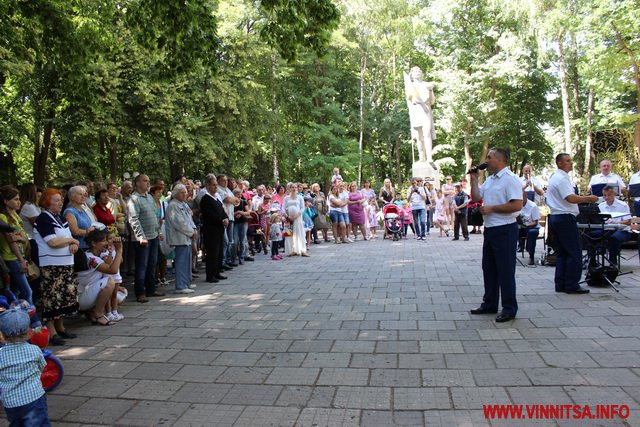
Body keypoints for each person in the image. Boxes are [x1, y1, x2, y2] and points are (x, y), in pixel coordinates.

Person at [469, 148, 523, 322]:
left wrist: (492, 208)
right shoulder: (491, 180)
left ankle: (509, 308)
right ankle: (490, 303)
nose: (487, 161)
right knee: (489, 268)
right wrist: (474, 179)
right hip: (490, 229)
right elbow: (477, 197)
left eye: (489, 157)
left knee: (505, 270)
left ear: (500, 160)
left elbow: (517, 205)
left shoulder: (511, 179)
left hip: (505, 229)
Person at [547, 153, 599, 294]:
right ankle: (571, 284)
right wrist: (588, 198)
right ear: (559, 163)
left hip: (557, 217)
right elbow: (570, 198)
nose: (571, 163)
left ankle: (561, 283)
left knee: (563, 252)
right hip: (564, 217)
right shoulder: (561, 179)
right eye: (568, 161)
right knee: (574, 252)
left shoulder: (556, 177)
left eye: (571, 160)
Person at [34, 189, 80, 345]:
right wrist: (71, 242)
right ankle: (51, 331)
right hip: (52, 265)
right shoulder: (43, 219)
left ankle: (61, 327)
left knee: (64, 298)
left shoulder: (60, 218)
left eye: (61, 200)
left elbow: (69, 238)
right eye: (56, 200)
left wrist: (73, 243)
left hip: (66, 263)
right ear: (47, 202)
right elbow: (53, 242)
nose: (60, 203)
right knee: (52, 298)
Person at [0, 307, 51, 426]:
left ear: (2, 334)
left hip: (10, 402)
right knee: (40, 422)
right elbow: (42, 367)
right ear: (28, 332)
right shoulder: (34, 350)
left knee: (16, 423)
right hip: (34, 398)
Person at [127, 174, 163, 303]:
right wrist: (140, 237)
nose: (148, 183)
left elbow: (154, 215)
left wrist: (158, 231)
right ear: (137, 184)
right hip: (142, 239)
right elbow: (134, 219)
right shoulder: (134, 199)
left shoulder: (149, 197)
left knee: (152, 264)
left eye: (148, 181)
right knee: (142, 265)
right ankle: (140, 292)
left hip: (153, 236)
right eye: (145, 181)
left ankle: (151, 289)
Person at [77, 229, 124, 325]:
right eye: (103, 241)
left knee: (120, 295)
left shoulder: (98, 255)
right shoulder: (90, 258)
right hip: (81, 298)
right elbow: (113, 270)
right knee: (109, 282)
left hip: (86, 293)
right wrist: (119, 250)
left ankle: (91, 311)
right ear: (94, 243)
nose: (106, 243)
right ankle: (98, 314)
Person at [0, 186, 33, 304]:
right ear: (5, 201)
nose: (18, 202)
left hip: (21, 256)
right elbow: (11, 240)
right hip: (12, 258)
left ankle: (17, 318)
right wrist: (21, 260)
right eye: (15, 199)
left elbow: (23, 237)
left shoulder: (15, 214)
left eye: (19, 199)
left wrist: (20, 238)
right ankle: (33, 321)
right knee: (27, 292)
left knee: (15, 291)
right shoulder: (2, 217)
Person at [165, 183, 198, 294]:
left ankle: (186, 282)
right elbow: (179, 223)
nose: (184, 194)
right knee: (181, 262)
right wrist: (191, 232)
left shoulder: (183, 204)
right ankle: (181, 285)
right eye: (182, 193)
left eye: (185, 192)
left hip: (186, 237)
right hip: (180, 237)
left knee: (187, 261)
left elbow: (189, 218)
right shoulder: (173, 205)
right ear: (176, 194)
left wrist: (194, 229)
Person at [594, 185, 634, 265]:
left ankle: (612, 263)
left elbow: (629, 221)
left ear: (614, 194)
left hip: (622, 230)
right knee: (591, 235)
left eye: (609, 195)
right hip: (606, 229)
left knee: (614, 238)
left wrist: (618, 222)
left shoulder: (622, 205)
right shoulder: (600, 206)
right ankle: (592, 261)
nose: (607, 197)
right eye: (605, 195)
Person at [200, 174, 229, 283]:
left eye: (216, 185)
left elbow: (222, 210)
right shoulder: (205, 199)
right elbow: (209, 215)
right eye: (213, 185)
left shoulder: (216, 198)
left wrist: (225, 218)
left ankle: (217, 272)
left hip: (219, 229)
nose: (215, 187)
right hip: (211, 230)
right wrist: (221, 220)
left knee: (219, 252)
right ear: (207, 185)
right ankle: (210, 275)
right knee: (212, 253)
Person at [404, 66, 436, 162]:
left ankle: (429, 157)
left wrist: (430, 90)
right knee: (419, 136)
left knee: (427, 133)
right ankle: (422, 157)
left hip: (426, 111)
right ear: (412, 75)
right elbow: (409, 99)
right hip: (416, 111)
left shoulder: (426, 85)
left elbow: (432, 101)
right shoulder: (411, 85)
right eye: (415, 71)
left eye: (419, 71)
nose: (417, 72)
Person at [216, 174, 238, 268]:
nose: (225, 182)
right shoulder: (218, 189)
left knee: (230, 240)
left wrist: (233, 200)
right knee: (225, 241)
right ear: (218, 181)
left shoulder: (228, 190)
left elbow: (237, 201)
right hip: (224, 218)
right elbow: (228, 199)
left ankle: (228, 259)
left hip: (231, 217)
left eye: (226, 180)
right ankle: (223, 261)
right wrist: (233, 200)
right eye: (223, 180)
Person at [284, 183, 308, 256]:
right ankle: (291, 250)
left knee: (299, 233)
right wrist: (287, 216)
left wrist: (297, 215)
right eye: (292, 187)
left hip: (297, 218)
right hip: (288, 218)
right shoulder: (286, 198)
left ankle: (302, 250)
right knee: (289, 234)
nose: (294, 189)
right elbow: (283, 208)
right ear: (290, 189)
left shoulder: (300, 197)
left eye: (295, 187)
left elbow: (302, 207)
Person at [517, 191, 541, 265]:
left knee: (532, 232)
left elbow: (535, 222)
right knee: (512, 231)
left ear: (526, 197)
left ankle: (531, 256)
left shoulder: (533, 206)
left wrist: (527, 225)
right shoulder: (517, 205)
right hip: (521, 227)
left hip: (532, 227)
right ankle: (512, 253)